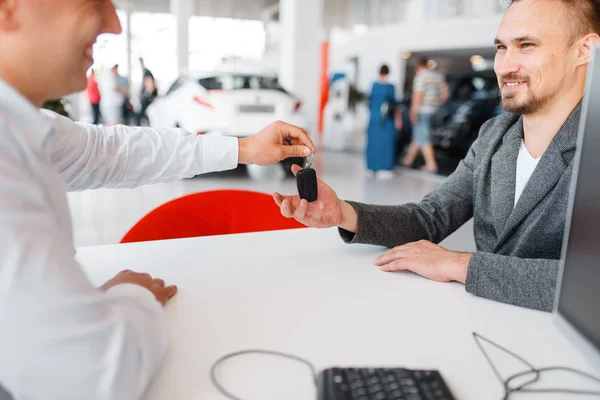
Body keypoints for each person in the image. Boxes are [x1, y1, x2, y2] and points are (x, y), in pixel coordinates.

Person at [0, 1, 314, 400]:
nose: (113, 24)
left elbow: (105, 151)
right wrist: (132, 296)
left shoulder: (23, 130)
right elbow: (97, 375)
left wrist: (244, 147)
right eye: (94, 1)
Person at [274, 0, 600, 313]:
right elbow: (429, 218)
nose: (505, 65)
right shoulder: (494, 136)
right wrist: (342, 213)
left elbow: (590, 282)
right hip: (490, 330)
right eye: (502, 47)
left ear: (584, 50)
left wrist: (460, 265)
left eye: (526, 45)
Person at [402, 57, 449, 174]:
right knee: (418, 135)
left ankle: (431, 164)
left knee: (424, 137)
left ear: (419, 66)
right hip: (435, 111)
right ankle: (408, 159)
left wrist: (413, 111)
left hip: (423, 110)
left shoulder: (420, 76)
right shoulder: (439, 76)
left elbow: (418, 94)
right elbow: (445, 94)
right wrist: (436, 103)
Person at [366, 64, 402, 180]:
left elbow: (370, 102)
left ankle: (372, 167)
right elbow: (395, 105)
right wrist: (398, 119)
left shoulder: (374, 85)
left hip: (374, 118)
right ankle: (385, 168)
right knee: (386, 143)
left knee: (373, 142)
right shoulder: (390, 87)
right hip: (386, 119)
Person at [137, 57, 156, 126]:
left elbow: (150, 85)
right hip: (146, 97)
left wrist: (146, 96)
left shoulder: (146, 72)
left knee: (142, 115)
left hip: (147, 98)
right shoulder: (144, 72)